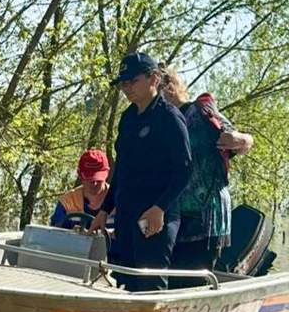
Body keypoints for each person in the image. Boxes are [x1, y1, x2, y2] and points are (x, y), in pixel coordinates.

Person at [89, 52, 191, 292]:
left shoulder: (170, 118)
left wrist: (160, 207)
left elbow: (184, 169)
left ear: (153, 78)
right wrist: (105, 210)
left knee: (150, 282)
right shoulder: (127, 119)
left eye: (132, 81)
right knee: (124, 279)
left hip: (156, 217)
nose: (127, 88)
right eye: (123, 83)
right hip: (126, 214)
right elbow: (121, 169)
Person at [159, 66, 254, 288]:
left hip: (206, 215)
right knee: (169, 279)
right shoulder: (160, 125)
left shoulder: (199, 111)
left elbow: (239, 139)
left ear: (170, 89)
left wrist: (241, 140)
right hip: (174, 215)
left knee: (193, 279)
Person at [49, 149, 112, 228]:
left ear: (107, 174)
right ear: (79, 174)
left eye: (99, 179)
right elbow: (54, 235)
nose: (94, 183)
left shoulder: (119, 201)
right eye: (89, 178)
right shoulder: (67, 203)